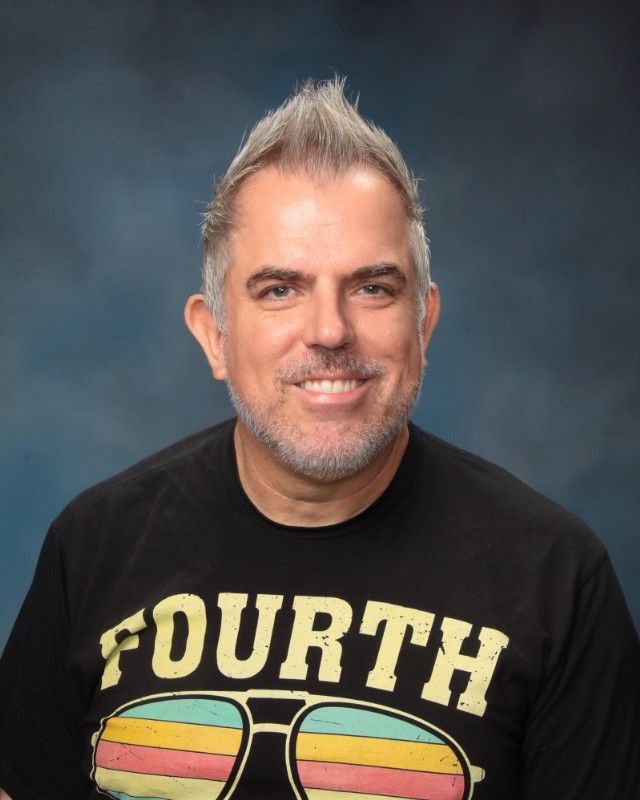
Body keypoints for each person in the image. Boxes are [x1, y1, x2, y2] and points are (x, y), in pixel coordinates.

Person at [1, 78, 638, 800]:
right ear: (214, 334)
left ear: (423, 325)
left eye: (373, 287)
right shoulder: (92, 548)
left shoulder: (557, 577)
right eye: (280, 289)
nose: (331, 331)